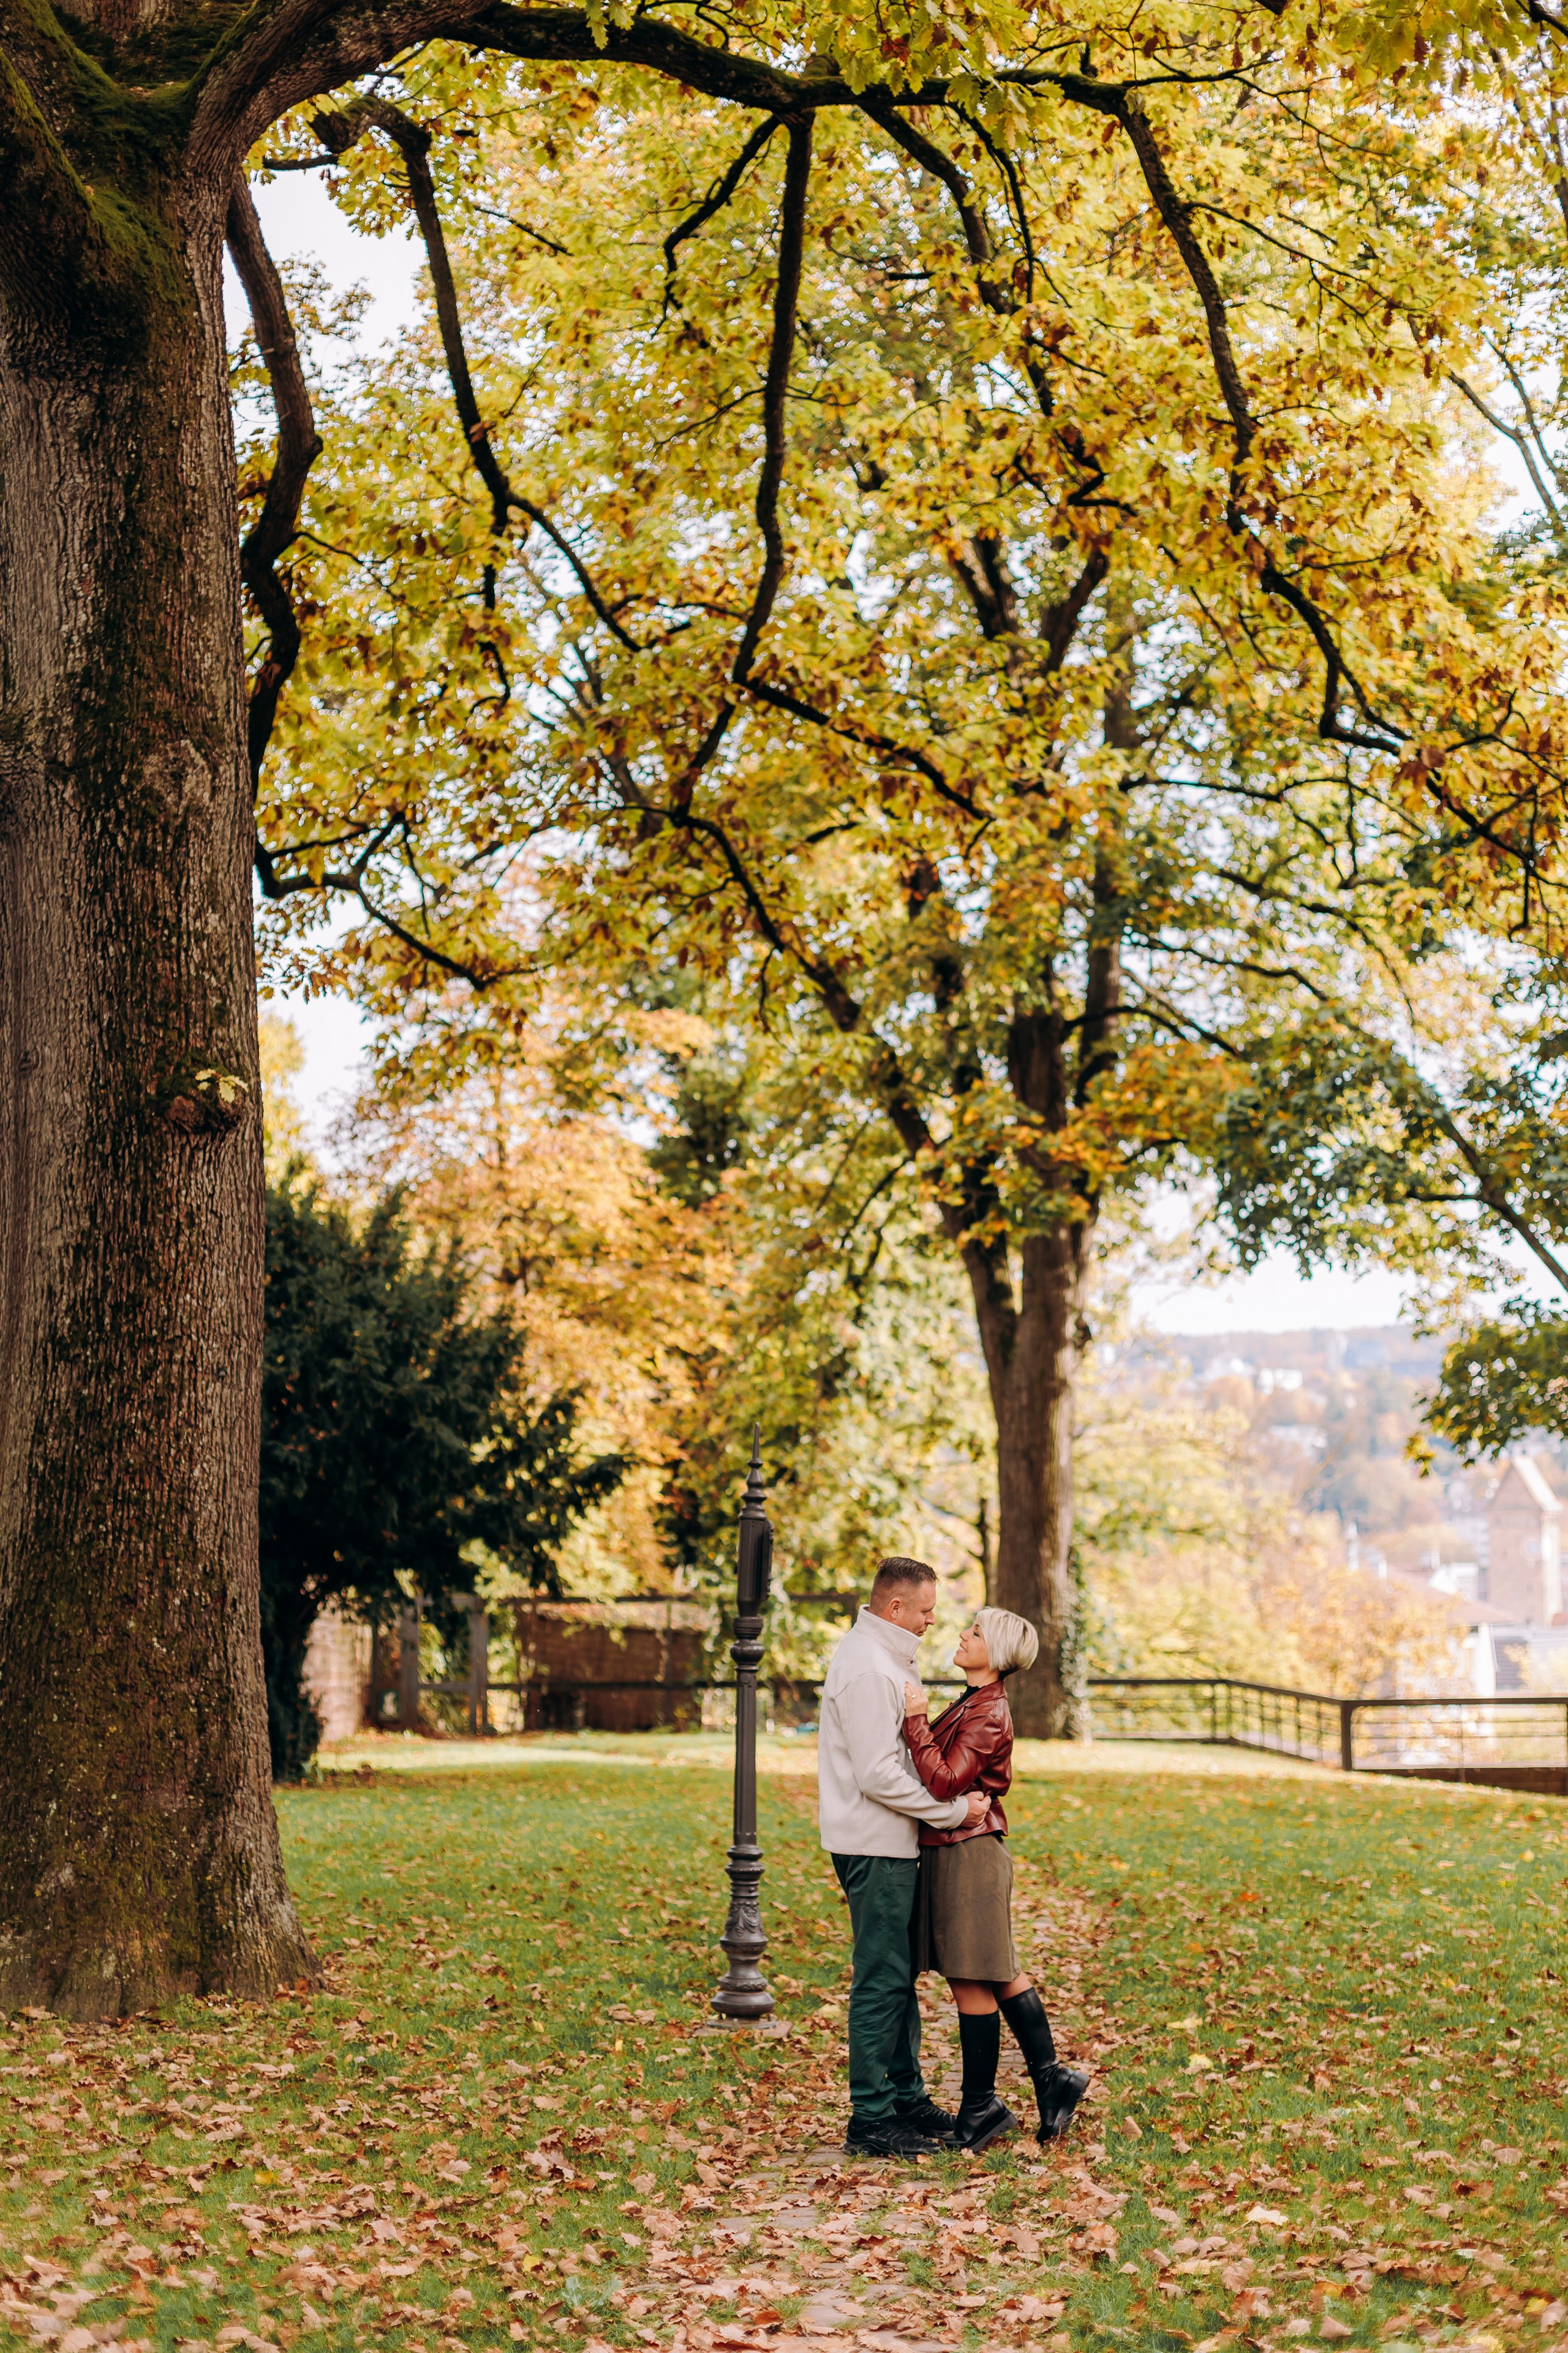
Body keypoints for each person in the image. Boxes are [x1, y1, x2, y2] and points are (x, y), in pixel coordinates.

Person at [818, 1556, 991, 2157]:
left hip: (885, 1840)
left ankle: (905, 2097)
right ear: (895, 1608)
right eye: (924, 1611)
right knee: (881, 1976)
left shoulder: (883, 1658)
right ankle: (870, 2117)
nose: (930, 1622)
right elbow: (877, 1774)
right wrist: (949, 1814)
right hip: (874, 1841)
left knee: (897, 1974)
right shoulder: (868, 1669)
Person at [902, 1606, 1090, 2149]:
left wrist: (915, 1719)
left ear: (998, 1651)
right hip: (957, 1849)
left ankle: (983, 2107)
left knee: (972, 1974)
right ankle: (1051, 2078)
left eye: (976, 1631)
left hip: (969, 1852)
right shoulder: (973, 1701)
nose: (962, 1634)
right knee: (993, 1968)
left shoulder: (987, 1711)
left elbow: (942, 1781)